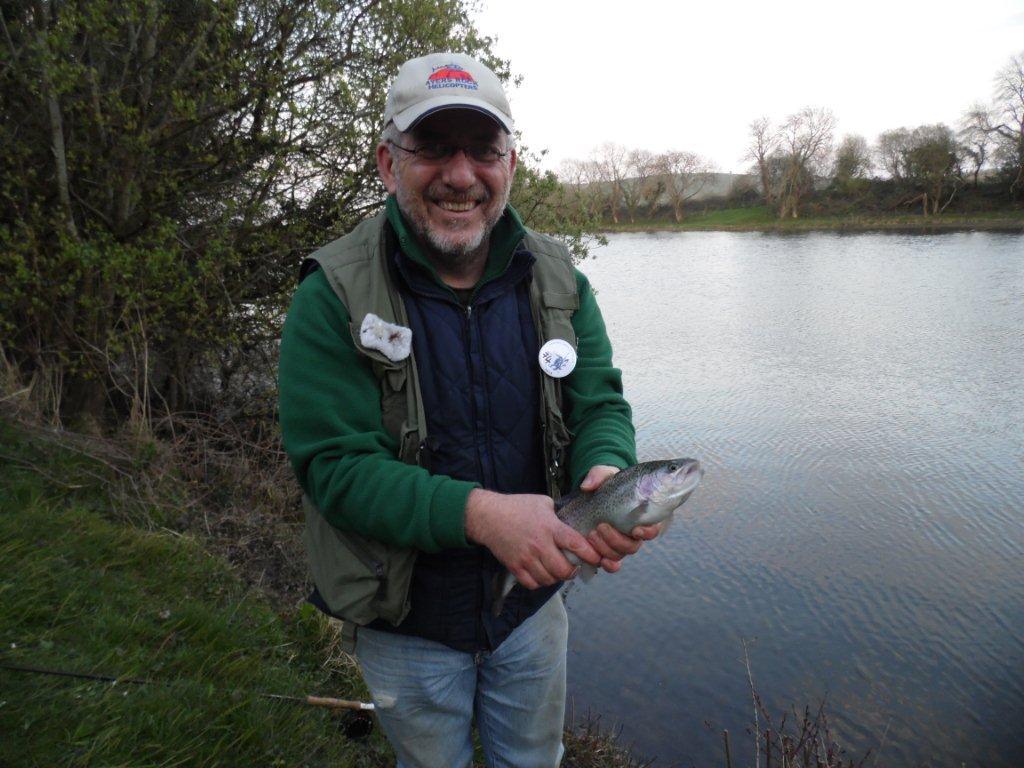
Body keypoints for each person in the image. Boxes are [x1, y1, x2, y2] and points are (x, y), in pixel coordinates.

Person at [278, 51, 660, 768]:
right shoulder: (331, 294)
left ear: (509, 163)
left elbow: (599, 403)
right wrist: (481, 515)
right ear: (388, 164)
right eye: (433, 147)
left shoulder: (560, 279)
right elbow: (334, 469)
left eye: (483, 149)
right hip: (406, 623)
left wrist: (606, 473)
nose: (461, 175)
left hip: (534, 608)